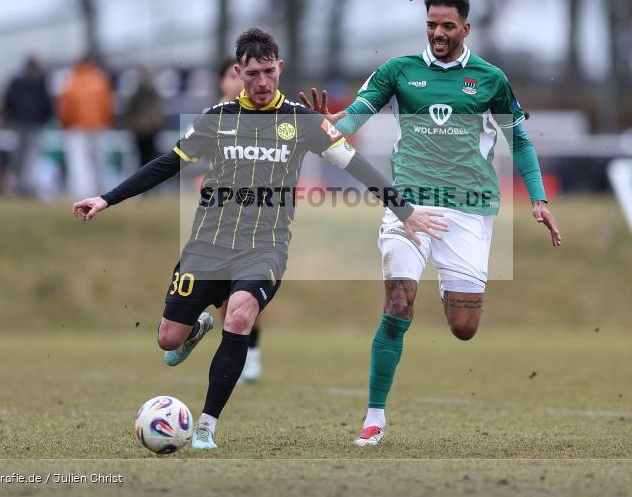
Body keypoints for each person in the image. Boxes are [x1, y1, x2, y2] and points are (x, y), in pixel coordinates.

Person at [72, 28, 447, 450]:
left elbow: (356, 165)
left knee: (240, 315)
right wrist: (107, 198)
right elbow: (166, 164)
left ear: (280, 68)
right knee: (168, 339)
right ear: (239, 72)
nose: (263, 82)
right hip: (207, 245)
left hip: (265, 247)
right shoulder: (218, 119)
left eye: (270, 71)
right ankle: (195, 327)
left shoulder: (304, 123)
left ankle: (206, 428)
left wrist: (405, 211)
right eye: (253, 74)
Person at [301, 0, 562, 446]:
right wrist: (331, 126)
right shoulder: (399, 71)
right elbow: (355, 116)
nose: (437, 34)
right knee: (398, 302)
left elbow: (519, 141)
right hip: (409, 204)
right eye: (430, 26)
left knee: (464, 328)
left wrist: (537, 198)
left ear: (465, 28)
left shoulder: (490, 78)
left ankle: (449, 278)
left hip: (467, 211)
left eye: (446, 26)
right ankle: (375, 417)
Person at [215, 58, 264, 383]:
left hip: (259, 220)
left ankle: (252, 356)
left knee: (248, 295)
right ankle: (231, 347)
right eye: (233, 77)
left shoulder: (266, 112)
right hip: (220, 217)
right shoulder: (218, 116)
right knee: (222, 296)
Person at [57, 57, 114, 196]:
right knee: (99, 161)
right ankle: (101, 190)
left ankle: (82, 191)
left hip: (77, 127)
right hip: (99, 126)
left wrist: (66, 124)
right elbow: (107, 105)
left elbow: (65, 108)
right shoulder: (99, 81)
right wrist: (107, 122)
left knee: (79, 162)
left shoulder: (71, 82)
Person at [1, 56, 53, 196]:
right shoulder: (40, 81)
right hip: (34, 123)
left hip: (18, 123)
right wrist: (44, 119)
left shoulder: (16, 80)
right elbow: (47, 103)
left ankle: (17, 184)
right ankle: (25, 185)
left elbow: (7, 101)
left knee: (17, 156)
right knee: (30, 155)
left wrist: (11, 117)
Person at [123, 67, 164, 167]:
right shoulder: (151, 92)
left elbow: (129, 111)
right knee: (149, 156)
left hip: (142, 129)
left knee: (144, 157)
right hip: (149, 128)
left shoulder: (138, 92)